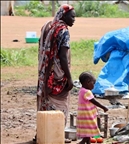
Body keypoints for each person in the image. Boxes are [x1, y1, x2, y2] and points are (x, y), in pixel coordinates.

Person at [35, 4, 76, 143]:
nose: (74, 19)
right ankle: (56, 136)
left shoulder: (48, 26)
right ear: (64, 16)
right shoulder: (63, 31)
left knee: (45, 102)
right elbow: (63, 56)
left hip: (45, 73)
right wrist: (70, 78)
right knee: (60, 105)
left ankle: (42, 133)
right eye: (72, 16)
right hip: (57, 75)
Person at [76, 72, 108, 144]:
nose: (94, 86)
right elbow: (94, 101)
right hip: (87, 115)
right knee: (89, 129)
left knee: (87, 129)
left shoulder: (81, 90)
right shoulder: (87, 92)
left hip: (83, 114)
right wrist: (103, 107)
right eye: (93, 83)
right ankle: (82, 142)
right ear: (88, 82)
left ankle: (88, 142)